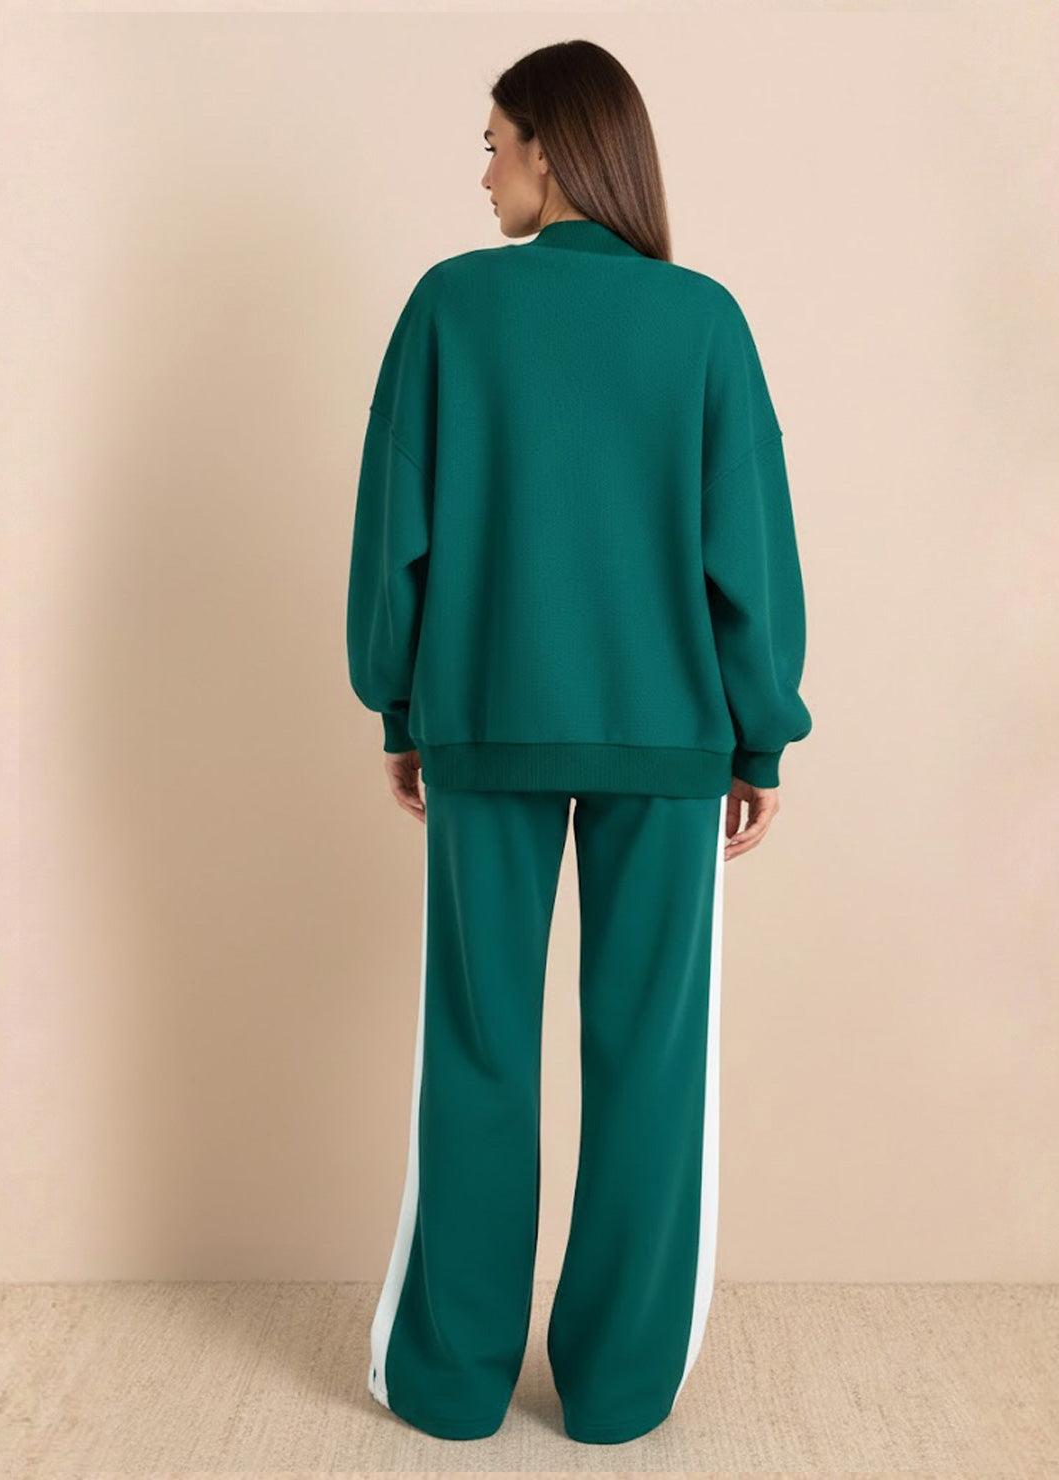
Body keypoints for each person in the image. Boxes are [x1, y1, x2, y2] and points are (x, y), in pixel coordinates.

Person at [346, 39, 812, 1447]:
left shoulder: (450, 308)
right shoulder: (703, 321)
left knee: (478, 1048)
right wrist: (759, 736)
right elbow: (747, 549)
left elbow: (395, 531)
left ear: (553, 147)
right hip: (668, 742)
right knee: (649, 1060)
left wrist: (403, 706)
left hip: (485, 724)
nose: (483, 168)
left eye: (494, 141)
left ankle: (451, 1382)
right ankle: (615, 1391)